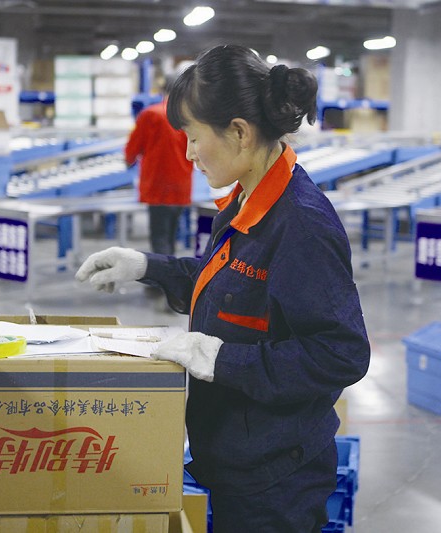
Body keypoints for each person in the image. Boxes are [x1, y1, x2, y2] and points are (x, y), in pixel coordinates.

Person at [76, 44, 370, 532]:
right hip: (237, 458)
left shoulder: (301, 225)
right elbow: (229, 282)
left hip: (276, 480)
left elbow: (340, 353)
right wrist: (147, 266)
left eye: (194, 138)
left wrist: (221, 358)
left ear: (238, 132)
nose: (188, 153)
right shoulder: (247, 200)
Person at [125, 75, 194, 256]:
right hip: (182, 186)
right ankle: (170, 268)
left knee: (159, 237)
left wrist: (128, 161)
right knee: (171, 236)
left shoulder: (151, 115)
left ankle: (164, 272)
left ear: (163, 90)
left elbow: (133, 148)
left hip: (158, 187)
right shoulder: (190, 117)